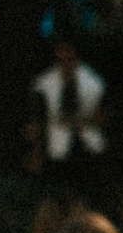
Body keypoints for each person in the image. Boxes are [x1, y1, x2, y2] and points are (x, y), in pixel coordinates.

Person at [29, 40, 108, 199]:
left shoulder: (93, 83)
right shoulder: (44, 84)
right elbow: (38, 119)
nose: (65, 63)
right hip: (56, 148)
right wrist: (36, 152)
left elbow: (102, 117)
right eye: (61, 58)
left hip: (87, 145)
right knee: (59, 194)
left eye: (69, 58)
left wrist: (79, 121)